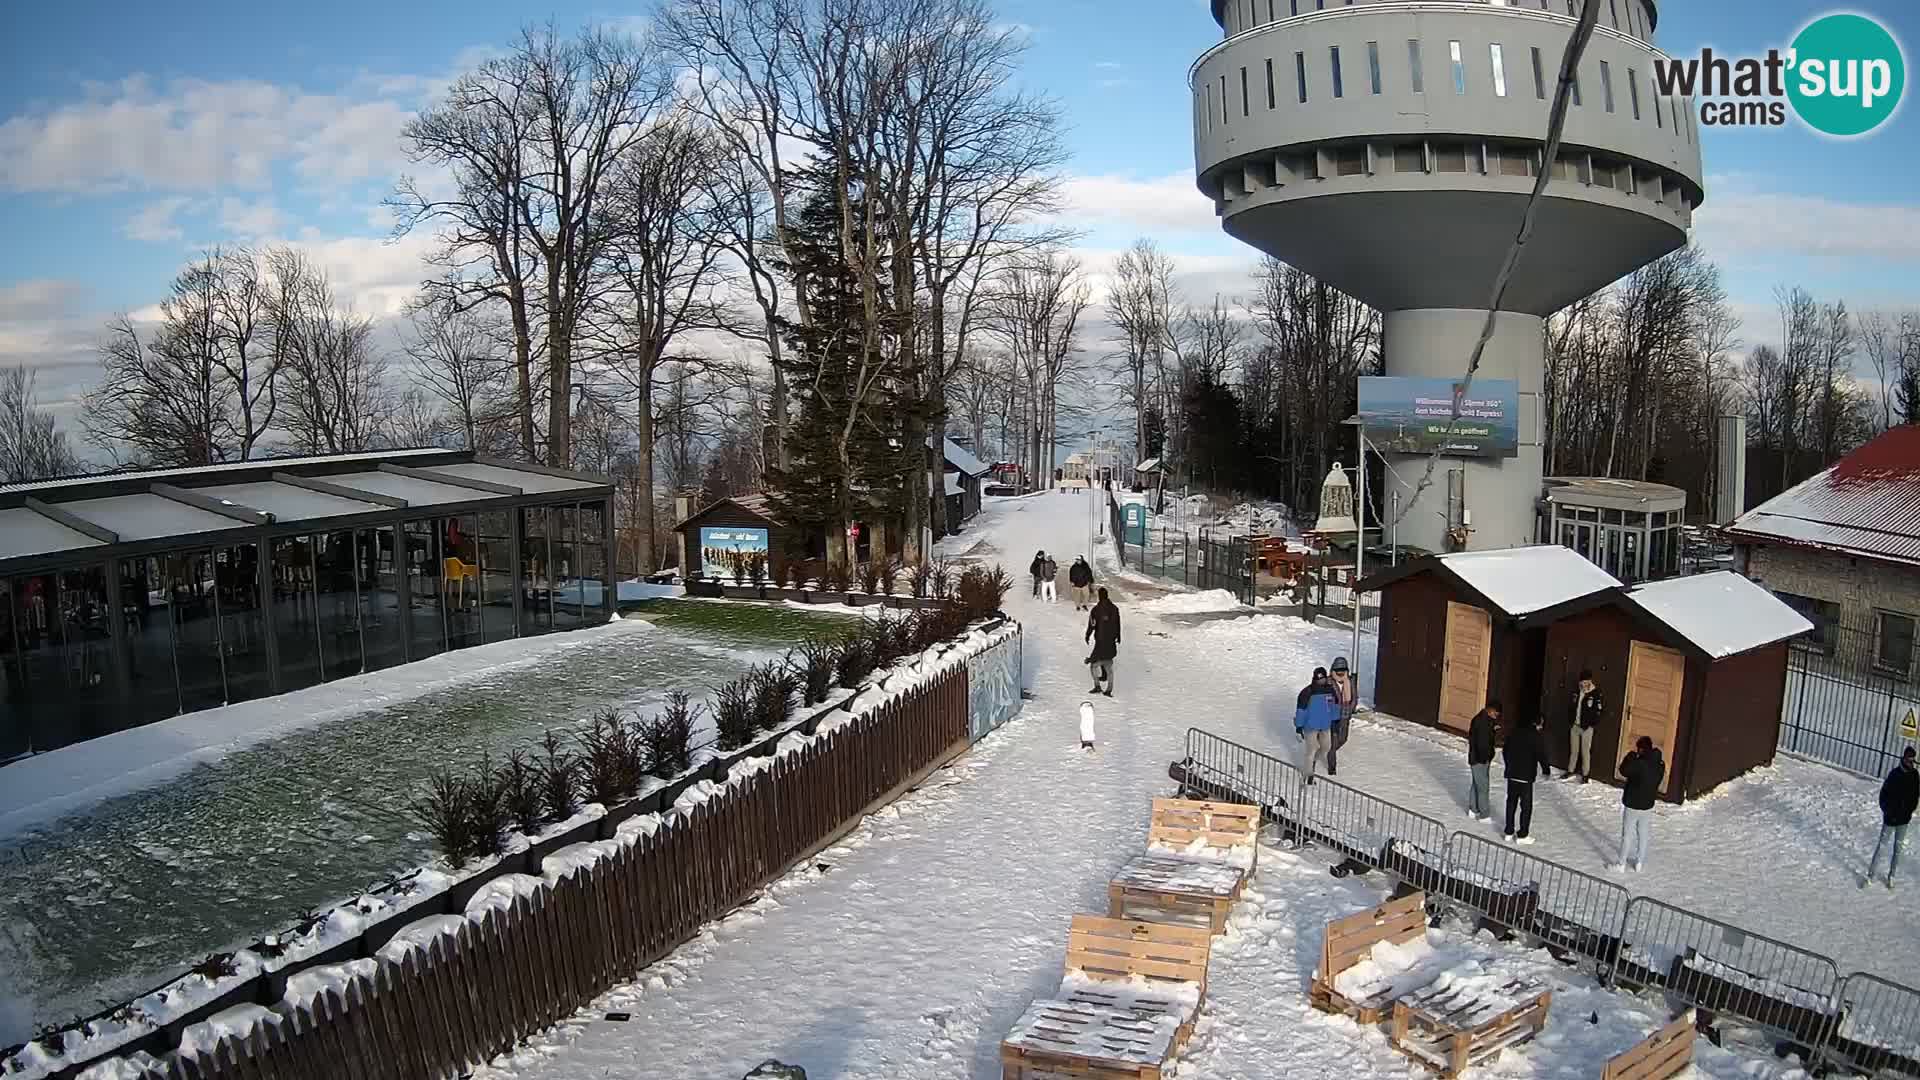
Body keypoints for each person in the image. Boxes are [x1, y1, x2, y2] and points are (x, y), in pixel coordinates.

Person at [1866, 746, 1918, 890]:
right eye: (1909, 758)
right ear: (1904, 758)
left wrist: (1908, 811)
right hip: (1890, 819)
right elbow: (1884, 794)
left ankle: (1891, 876)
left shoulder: (1915, 775)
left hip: (1903, 820)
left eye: (1913, 759)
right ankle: (1870, 875)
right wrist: (1887, 811)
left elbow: (1915, 797)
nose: (1911, 761)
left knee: (1898, 849)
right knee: (1881, 847)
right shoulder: (1894, 774)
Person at [1614, 736, 1665, 872]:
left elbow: (1623, 770)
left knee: (1627, 834)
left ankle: (1621, 863)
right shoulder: (1659, 764)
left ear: (1641, 749)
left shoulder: (1638, 764)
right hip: (1647, 804)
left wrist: (1630, 756)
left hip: (1632, 803)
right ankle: (1639, 862)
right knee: (1643, 834)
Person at [1501, 711, 1551, 844]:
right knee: (1526, 806)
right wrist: (1546, 770)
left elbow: (1505, 750)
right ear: (1538, 723)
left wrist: (1509, 765)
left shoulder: (1514, 732)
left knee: (1511, 803)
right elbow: (1541, 754)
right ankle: (1522, 834)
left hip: (1512, 774)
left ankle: (1508, 832)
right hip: (1526, 776)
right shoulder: (1536, 736)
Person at [1294, 667, 1340, 785]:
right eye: (1318, 679)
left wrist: (1335, 720)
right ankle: (1308, 775)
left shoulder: (1330, 691)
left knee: (1326, 747)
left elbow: (1334, 706)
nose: (1320, 681)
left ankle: (1313, 761)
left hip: (1325, 725)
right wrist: (1299, 727)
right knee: (1311, 750)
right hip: (1310, 726)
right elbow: (1301, 711)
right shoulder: (1307, 692)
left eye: (1322, 679)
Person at [1466, 700, 1501, 822]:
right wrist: (1485, 758)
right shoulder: (1482, 722)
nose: (1497, 715)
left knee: (1477, 783)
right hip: (1480, 759)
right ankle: (1484, 814)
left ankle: (1473, 808)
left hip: (1477, 758)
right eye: (1496, 713)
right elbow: (1482, 743)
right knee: (1483, 787)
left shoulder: (1482, 720)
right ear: (1490, 710)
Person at [1566, 669, 1604, 782]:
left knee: (1585, 751)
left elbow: (1599, 711)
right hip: (1575, 725)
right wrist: (1571, 721)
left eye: (1586, 682)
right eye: (1582, 682)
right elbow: (1571, 707)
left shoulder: (1596, 693)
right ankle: (1570, 770)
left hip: (1587, 727)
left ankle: (1585, 774)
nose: (1583, 684)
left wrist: (1591, 724)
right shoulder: (1577, 692)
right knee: (1574, 750)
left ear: (1590, 681)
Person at [1085, 587, 1121, 696]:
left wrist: (1088, 634)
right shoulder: (1114, 608)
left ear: (1099, 596)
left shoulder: (1096, 609)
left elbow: (1092, 624)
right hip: (1111, 640)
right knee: (1108, 663)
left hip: (1100, 640)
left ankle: (1097, 686)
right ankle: (1109, 688)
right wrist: (1119, 636)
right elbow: (1118, 623)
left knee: (1093, 664)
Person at [1327, 656, 1355, 777]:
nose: (1340, 672)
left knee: (1343, 739)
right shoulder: (1329, 682)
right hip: (1333, 717)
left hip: (1345, 716)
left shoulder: (1349, 682)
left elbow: (1354, 697)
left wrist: (1351, 709)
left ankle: (1328, 751)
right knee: (1333, 742)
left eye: (1342, 669)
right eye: (1338, 669)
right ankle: (1332, 768)